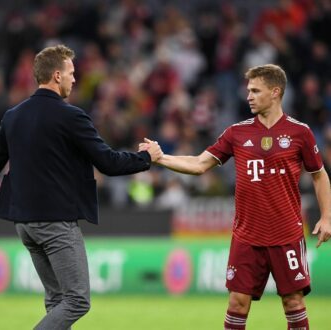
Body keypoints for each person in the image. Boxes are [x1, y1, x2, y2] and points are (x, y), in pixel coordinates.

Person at [0, 44, 162, 330]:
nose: (75, 78)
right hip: (55, 221)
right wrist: (147, 157)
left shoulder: (13, 116)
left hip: (24, 223)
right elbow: (107, 162)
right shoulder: (71, 116)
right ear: (57, 76)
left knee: (58, 301)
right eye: (71, 72)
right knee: (77, 300)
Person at [141, 64, 331, 330]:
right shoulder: (236, 133)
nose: (249, 96)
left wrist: (326, 217)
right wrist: (161, 158)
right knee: (237, 303)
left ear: (275, 92)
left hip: (286, 234)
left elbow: (319, 174)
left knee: (293, 303)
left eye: (255, 90)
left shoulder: (300, 132)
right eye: (248, 90)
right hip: (247, 236)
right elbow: (198, 164)